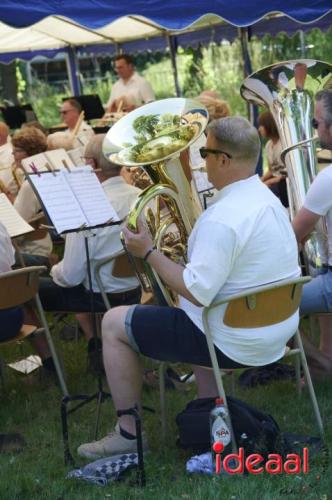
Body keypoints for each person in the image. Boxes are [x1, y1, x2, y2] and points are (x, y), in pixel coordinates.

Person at [77, 116, 300, 459]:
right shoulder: (269, 201)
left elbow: (197, 291)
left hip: (233, 341)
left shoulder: (222, 216)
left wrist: (148, 252)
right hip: (279, 332)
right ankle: (209, 406)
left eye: (204, 152)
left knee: (112, 322)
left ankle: (128, 433)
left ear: (223, 160)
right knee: (190, 312)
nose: (199, 159)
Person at [25, 134, 142, 365]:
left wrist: (53, 270)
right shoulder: (139, 195)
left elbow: (70, 276)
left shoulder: (87, 205)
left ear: (92, 165)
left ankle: (50, 363)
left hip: (99, 295)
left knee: (25, 290)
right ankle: (95, 346)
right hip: (134, 288)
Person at [292, 89, 332, 376]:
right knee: (319, 269)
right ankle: (326, 352)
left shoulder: (328, 178)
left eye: (316, 123)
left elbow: (293, 236)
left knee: (270, 307)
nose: (315, 131)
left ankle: (321, 365)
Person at [11, 127, 53, 267]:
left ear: (29, 154)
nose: (13, 153)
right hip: (44, 248)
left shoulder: (30, 186)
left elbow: (17, 232)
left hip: (31, 253)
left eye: (17, 150)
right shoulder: (45, 176)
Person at [258, 110, 289, 208]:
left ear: (269, 125)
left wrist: (268, 182)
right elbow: (272, 170)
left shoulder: (284, 144)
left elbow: (287, 174)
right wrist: (261, 180)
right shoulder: (268, 145)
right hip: (275, 180)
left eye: (261, 125)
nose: (259, 129)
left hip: (284, 183)